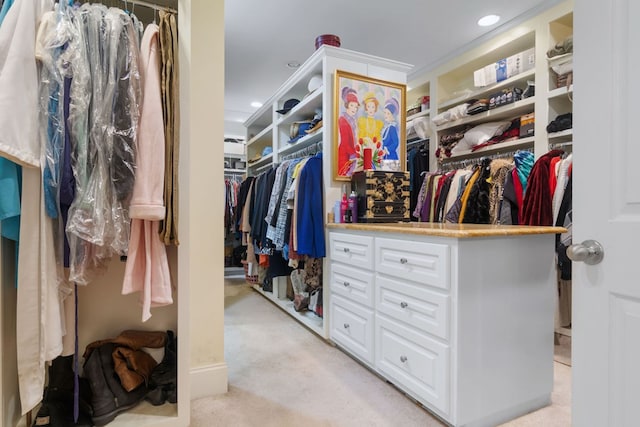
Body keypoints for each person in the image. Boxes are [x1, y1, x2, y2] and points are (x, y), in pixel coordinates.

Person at [337, 87, 359, 176]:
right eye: (352, 105)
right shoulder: (342, 120)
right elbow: (345, 142)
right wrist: (353, 154)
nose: (354, 108)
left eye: (356, 106)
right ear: (347, 105)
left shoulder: (352, 120)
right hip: (345, 155)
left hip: (350, 153)